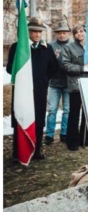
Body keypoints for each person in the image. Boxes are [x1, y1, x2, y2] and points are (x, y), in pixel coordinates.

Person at [6, 17, 59, 160]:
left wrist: (43, 79)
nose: (37, 35)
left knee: (39, 119)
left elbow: (54, 69)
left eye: (40, 32)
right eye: (34, 31)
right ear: (27, 31)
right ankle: (18, 153)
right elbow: (10, 69)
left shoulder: (46, 48)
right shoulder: (17, 47)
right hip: (22, 91)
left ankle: (36, 151)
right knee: (21, 118)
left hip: (39, 92)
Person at [61, 24, 88, 151]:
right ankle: (72, 141)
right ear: (74, 35)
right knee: (74, 113)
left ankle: (85, 139)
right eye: (76, 32)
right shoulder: (68, 48)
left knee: (87, 113)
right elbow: (65, 65)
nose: (80, 34)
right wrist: (82, 68)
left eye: (81, 31)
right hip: (76, 85)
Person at [45, 21, 72, 145]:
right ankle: (49, 135)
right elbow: (47, 64)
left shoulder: (73, 46)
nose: (62, 35)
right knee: (52, 109)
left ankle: (64, 133)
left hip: (68, 83)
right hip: (54, 83)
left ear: (68, 34)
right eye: (59, 33)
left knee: (67, 109)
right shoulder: (50, 46)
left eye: (64, 33)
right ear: (56, 34)